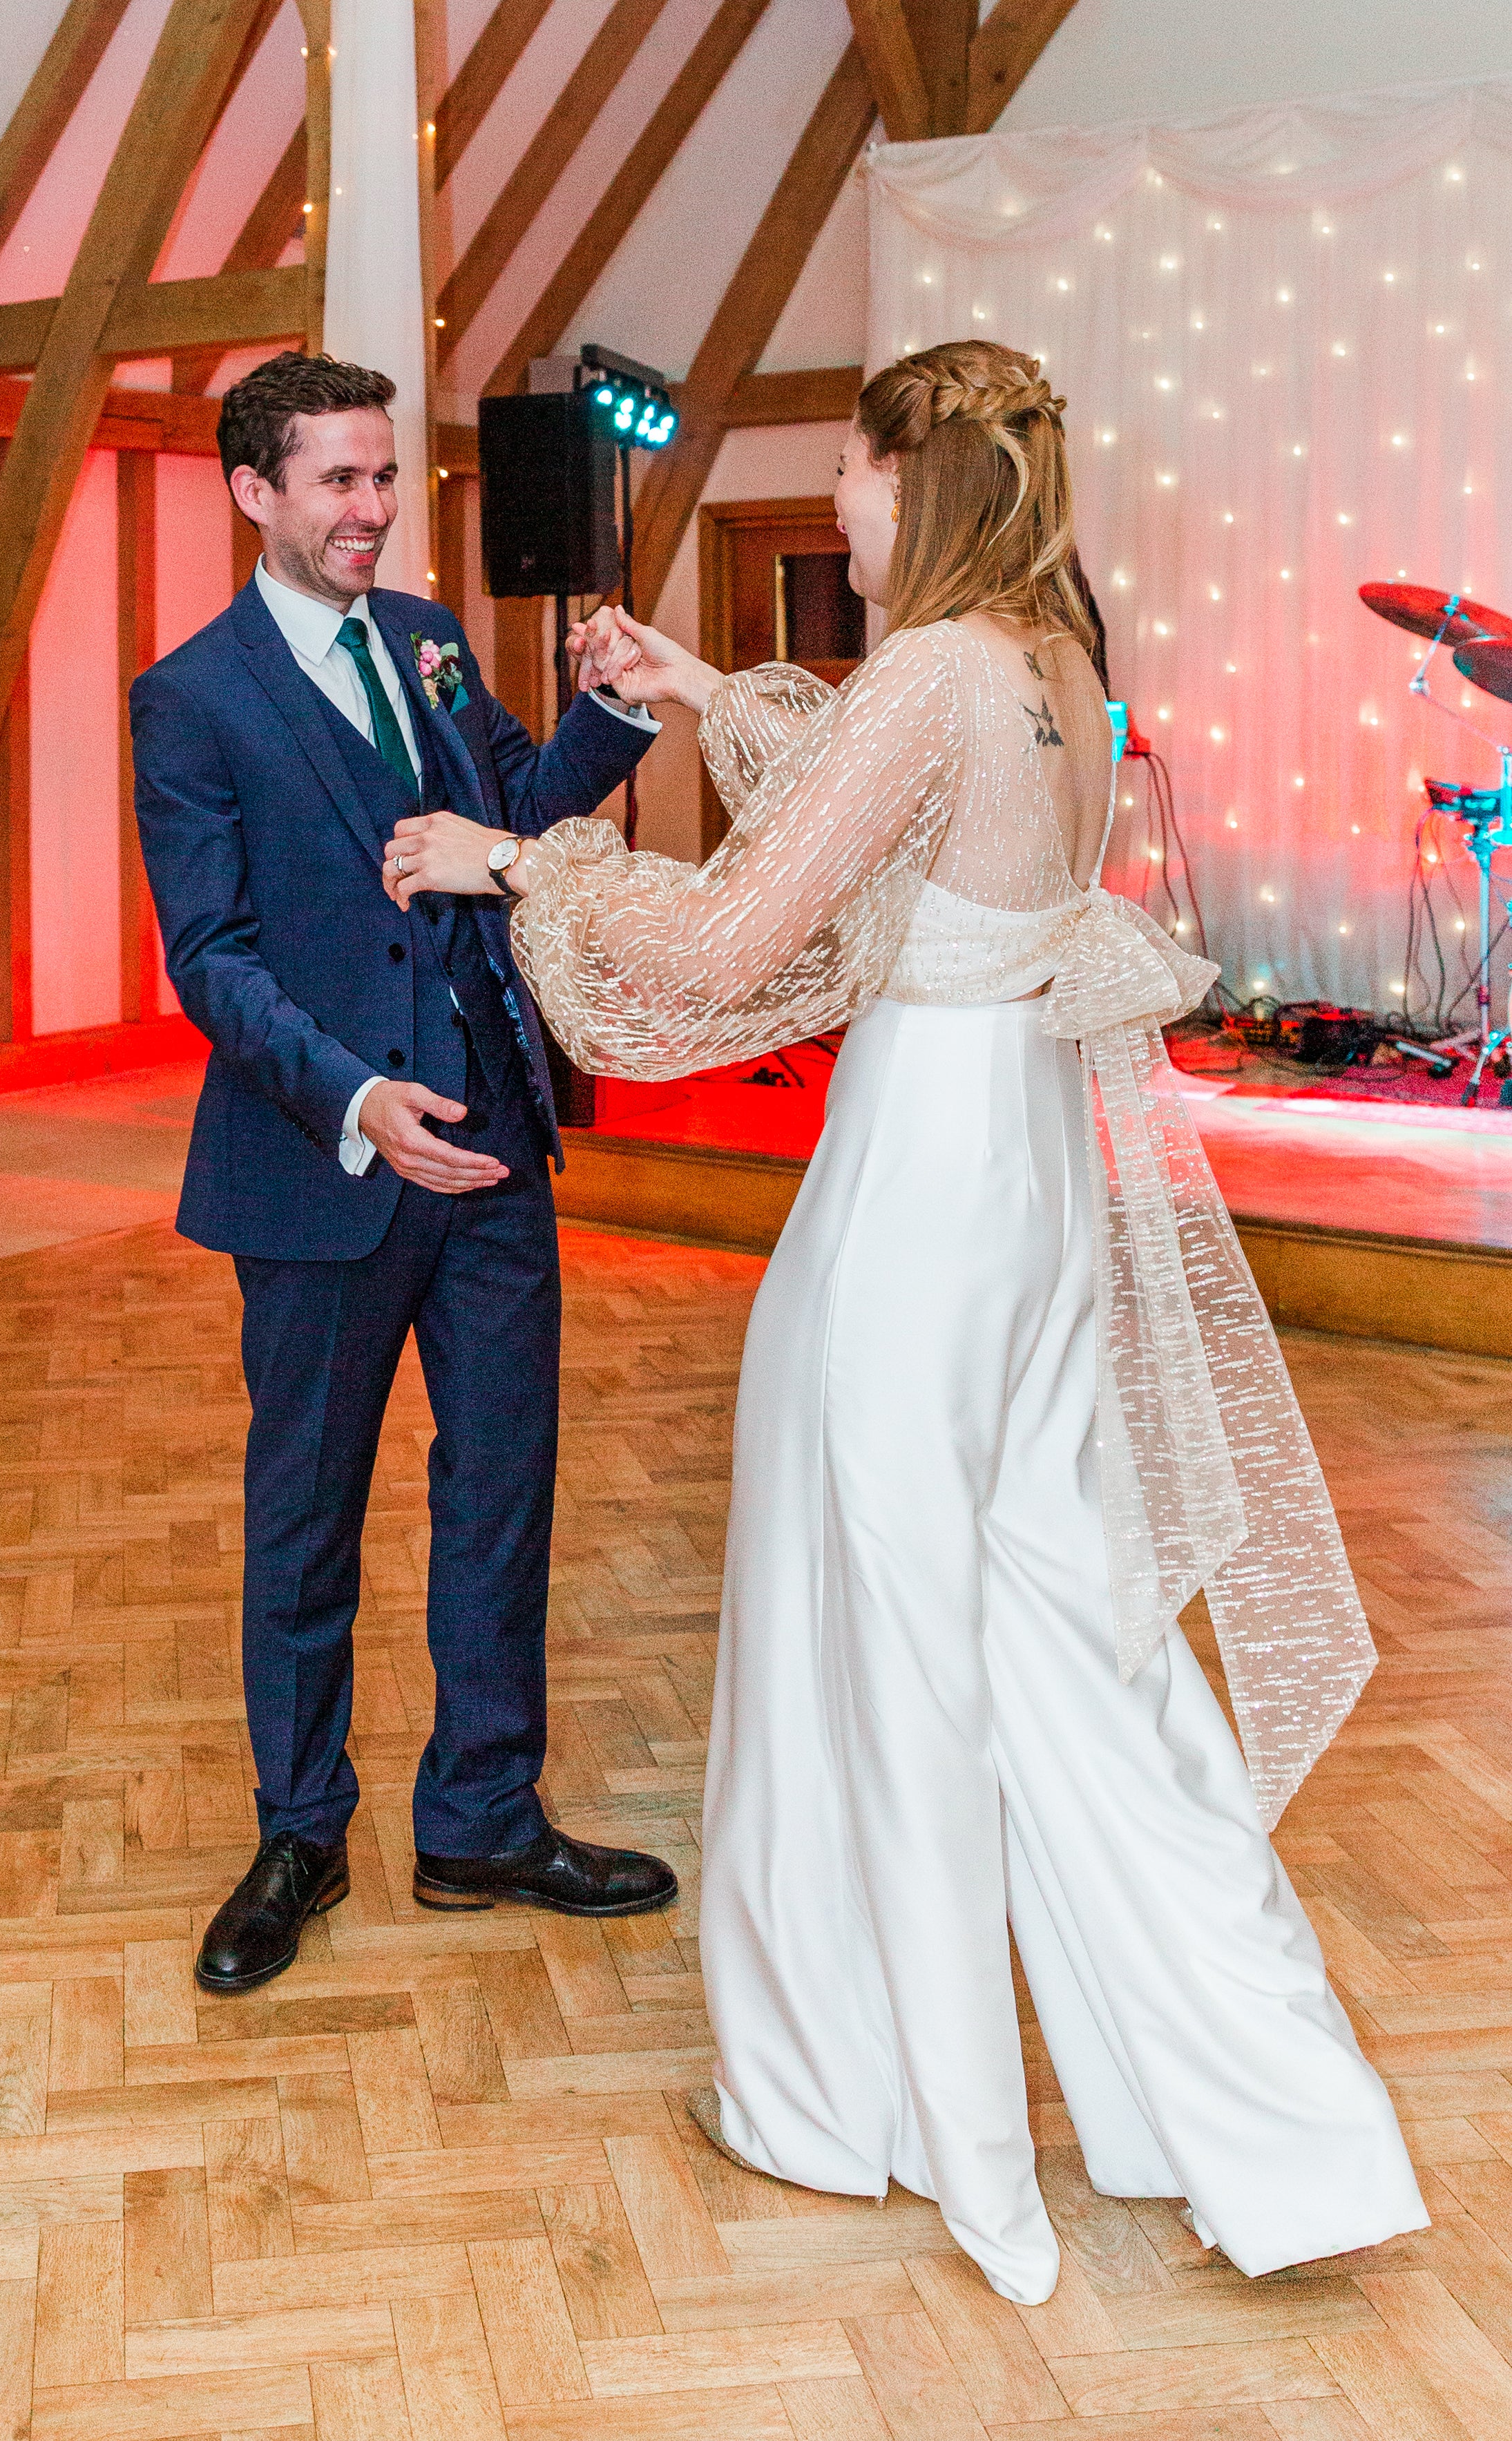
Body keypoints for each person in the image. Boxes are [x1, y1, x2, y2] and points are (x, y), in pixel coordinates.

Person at [380, 339, 1427, 2302]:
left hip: (914, 1199)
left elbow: (730, 936)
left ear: (904, 480)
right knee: (1070, 1643)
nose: (840, 506)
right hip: (1026, 1180)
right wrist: (701, 691)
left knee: (863, 1623)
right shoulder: (1051, 665)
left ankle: (855, 2104)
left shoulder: (936, 668)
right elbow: (913, 828)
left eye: (850, 475)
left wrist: (507, 860)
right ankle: (1272, 2128)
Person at [131, 350, 677, 1998]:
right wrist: (357, 1099)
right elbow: (211, 958)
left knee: (501, 1489)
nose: (372, 509)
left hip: (494, 1146)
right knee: (305, 1519)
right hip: (327, 1171)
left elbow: (516, 812)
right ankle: (299, 1834)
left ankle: (482, 1820)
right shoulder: (193, 697)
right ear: (255, 492)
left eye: (384, 478)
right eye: (339, 481)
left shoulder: (430, 639)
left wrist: (614, 712)